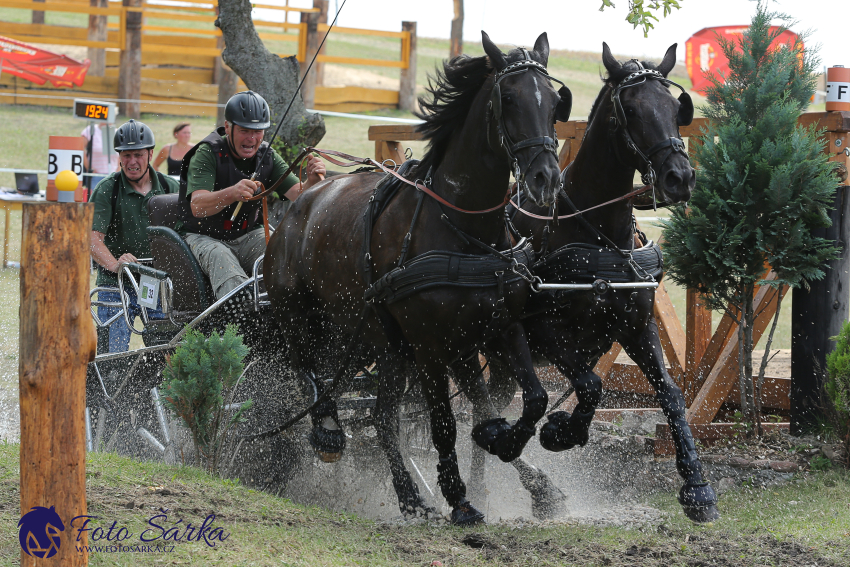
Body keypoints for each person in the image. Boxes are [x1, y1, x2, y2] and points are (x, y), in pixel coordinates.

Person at [180, 90, 326, 300]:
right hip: (204, 236)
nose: (252, 138)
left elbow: (298, 193)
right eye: (245, 130)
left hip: (248, 233)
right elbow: (198, 206)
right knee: (223, 261)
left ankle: (282, 316)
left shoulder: (267, 155)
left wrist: (312, 180)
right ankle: (238, 321)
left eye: (258, 131)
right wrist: (232, 193)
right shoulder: (207, 153)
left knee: (285, 258)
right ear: (228, 127)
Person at [89, 119, 179, 353]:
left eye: (138, 155)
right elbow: (91, 238)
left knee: (165, 351)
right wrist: (117, 265)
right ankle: (109, 388)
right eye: (126, 155)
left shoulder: (170, 188)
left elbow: (187, 236)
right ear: (119, 156)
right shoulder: (108, 188)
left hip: (154, 282)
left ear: (150, 154)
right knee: (112, 354)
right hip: (115, 283)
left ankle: (159, 390)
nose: (132, 162)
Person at [81, 123, 117, 193]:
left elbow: (120, 154)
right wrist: (88, 167)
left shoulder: (116, 132)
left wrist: (118, 171)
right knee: (95, 201)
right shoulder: (90, 130)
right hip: (95, 176)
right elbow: (80, 147)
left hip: (113, 176)